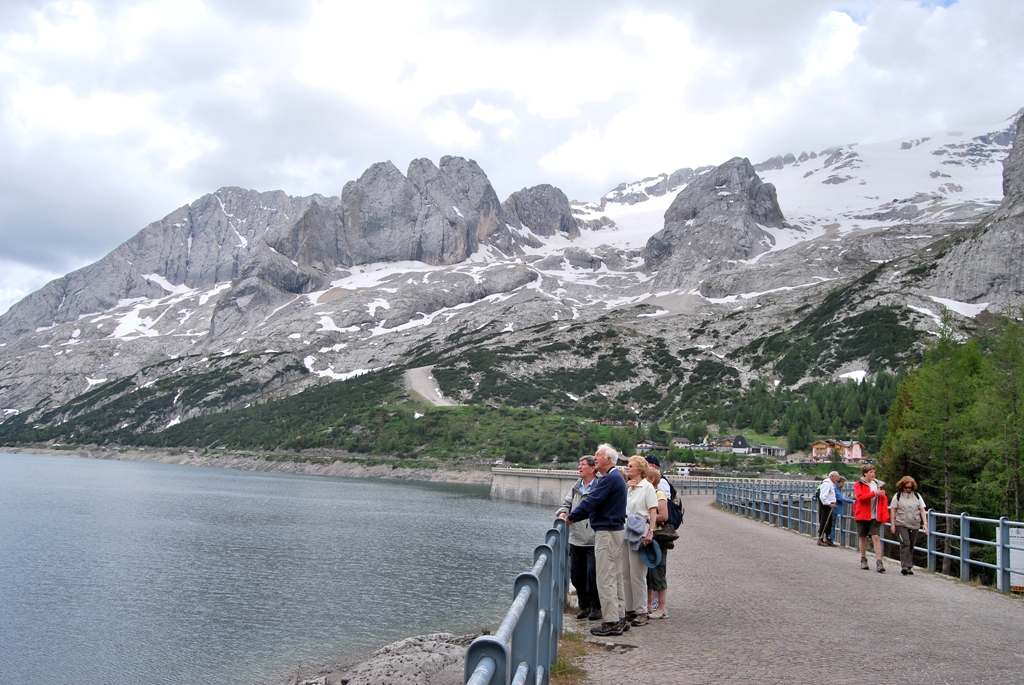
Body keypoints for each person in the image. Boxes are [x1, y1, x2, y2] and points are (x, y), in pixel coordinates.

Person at [567, 444, 628, 637]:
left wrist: (570, 517)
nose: (595, 458)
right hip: (615, 531)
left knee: (606, 577)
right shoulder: (615, 477)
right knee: (615, 575)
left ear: (608, 459)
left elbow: (591, 502)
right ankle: (619, 616)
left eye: (598, 455)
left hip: (607, 532)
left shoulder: (609, 479)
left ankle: (611, 621)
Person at [556, 456, 602, 620]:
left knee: (592, 575)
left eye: (582, 465)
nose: (579, 467)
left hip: (592, 538)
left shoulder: (598, 486)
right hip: (575, 538)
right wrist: (562, 512)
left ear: (592, 468)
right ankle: (584, 605)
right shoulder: (576, 486)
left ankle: (596, 606)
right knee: (576, 575)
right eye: (579, 464)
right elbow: (566, 503)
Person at [621, 456, 659, 627]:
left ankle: (641, 610)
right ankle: (629, 609)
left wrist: (650, 532)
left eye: (630, 466)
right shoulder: (628, 488)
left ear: (639, 469)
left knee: (638, 574)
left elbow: (653, 512)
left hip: (639, 531)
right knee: (625, 573)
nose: (627, 468)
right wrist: (625, 490)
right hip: (625, 530)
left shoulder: (647, 487)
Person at [889, 476, 929, 575]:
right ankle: (904, 566)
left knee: (911, 544)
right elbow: (893, 510)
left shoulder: (917, 496)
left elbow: (922, 510)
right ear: (902, 486)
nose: (908, 489)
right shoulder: (897, 496)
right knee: (905, 543)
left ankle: (909, 566)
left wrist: (925, 523)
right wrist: (892, 524)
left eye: (910, 488)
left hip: (914, 523)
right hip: (901, 523)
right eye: (906, 487)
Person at [645, 467, 670, 619]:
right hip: (647, 536)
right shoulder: (646, 493)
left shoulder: (659, 494)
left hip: (657, 537)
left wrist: (648, 518)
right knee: (648, 572)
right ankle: (648, 605)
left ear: (651, 480)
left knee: (658, 571)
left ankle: (662, 608)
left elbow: (664, 516)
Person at [853, 465, 887, 573]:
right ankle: (863, 559)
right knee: (863, 537)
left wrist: (884, 516)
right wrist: (874, 493)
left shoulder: (878, 485)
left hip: (875, 515)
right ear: (865, 473)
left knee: (876, 536)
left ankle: (879, 561)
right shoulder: (858, 484)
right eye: (871, 472)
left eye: (874, 472)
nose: (873, 474)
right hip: (862, 514)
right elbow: (861, 497)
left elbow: (883, 502)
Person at [816, 471, 841, 546]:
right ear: (832, 477)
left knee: (830, 521)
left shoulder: (831, 484)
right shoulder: (827, 484)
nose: (838, 479)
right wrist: (829, 504)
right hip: (826, 506)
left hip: (829, 505)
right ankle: (820, 538)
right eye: (837, 477)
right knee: (824, 521)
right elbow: (823, 496)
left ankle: (827, 538)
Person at [830, 477, 854, 544]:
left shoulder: (837, 488)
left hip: (835, 508)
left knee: (833, 524)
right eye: (842, 483)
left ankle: (831, 539)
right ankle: (831, 539)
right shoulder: (836, 488)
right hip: (834, 508)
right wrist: (852, 501)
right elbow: (841, 498)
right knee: (832, 524)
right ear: (837, 482)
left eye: (843, 483)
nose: (843, 485)